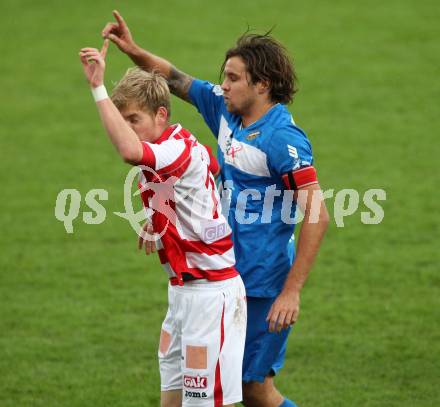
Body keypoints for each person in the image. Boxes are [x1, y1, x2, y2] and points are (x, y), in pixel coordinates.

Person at [102, 11, 330, 407]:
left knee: (253, 388)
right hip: (217, 275)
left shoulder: (282, 138)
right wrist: (134, 51)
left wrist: (291, 292)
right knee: (220, 387)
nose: (222, 86)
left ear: (262, 84)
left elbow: (318, 213)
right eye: (223, 77)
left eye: (233, 78)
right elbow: (175, 79)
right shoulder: (227, 111)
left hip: (261, 281)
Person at [79, 40, 247, 407]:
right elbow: (210, 176)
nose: (127, 129)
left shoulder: (174, 150)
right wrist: (163, 220)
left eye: (133, 120)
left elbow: (129, 152)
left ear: (160, 115)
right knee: (169, 401)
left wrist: (97, 88)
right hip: (181, 296)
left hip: (209, 297)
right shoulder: (180, 147)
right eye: (123, 121)